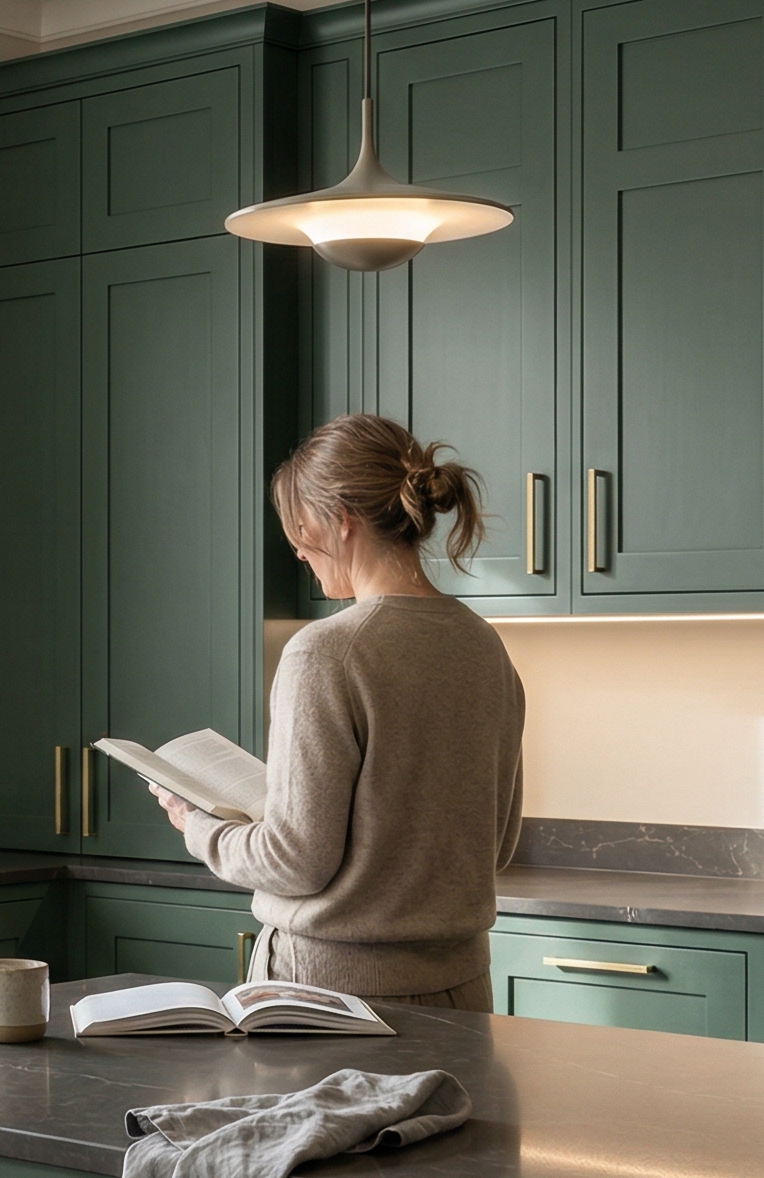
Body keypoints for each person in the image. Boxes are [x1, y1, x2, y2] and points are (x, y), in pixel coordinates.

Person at [148, 415, 524, 1013]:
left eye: (301, 532)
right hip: (465, 994)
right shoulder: (484, 646)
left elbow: (294, 861)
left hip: (328, 997)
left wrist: (198, 827)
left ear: (342, 521)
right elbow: (496, 846)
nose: (299, 551)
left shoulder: (326, 651)